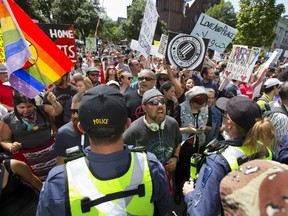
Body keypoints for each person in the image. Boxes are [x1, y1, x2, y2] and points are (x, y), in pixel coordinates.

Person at [36, 85, 171, 215]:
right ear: (127, 124)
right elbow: (163, 208)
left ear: (81, 128)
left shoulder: (58, 181)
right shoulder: (151, 165)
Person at [182, 96, 275, 215]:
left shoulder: (217, 162)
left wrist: (189, 194)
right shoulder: (266, 150)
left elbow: (200, 212)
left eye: (224, 114)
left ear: (229, 124)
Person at [1, 91, 63, 180]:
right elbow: (4, 140)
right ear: (15, 106)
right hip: (27, 159)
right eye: (21, 107)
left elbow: (58, 111)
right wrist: (11, 146)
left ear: (34, 103)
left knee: (58, 178)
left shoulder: (42, 110)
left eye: (29, 106)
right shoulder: (8, 119)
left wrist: (54, 102)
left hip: (52, 155)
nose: (26, 110)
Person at [54, 93, 90, 165]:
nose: (75, 115)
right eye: (73, 111)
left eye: (79, 111)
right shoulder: (63, 133)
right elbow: (61, 162)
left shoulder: (101, 129)